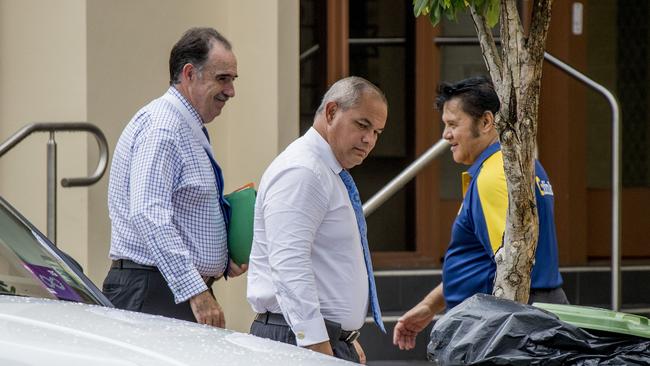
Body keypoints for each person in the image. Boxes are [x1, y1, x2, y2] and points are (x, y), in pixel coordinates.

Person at [393, 76, 567, 351]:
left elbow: (512, 269)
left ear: (486, 122)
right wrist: (431, 306)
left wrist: (502, 345)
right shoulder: (518, 164)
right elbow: (487, 261)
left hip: (514, 325)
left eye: (452, 124)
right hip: (526, 315)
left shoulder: (495, 175)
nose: (445, 135)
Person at [103, 27, 247, 328]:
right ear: (189, 74)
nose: (231, 91)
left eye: (232, 80)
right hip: (155, 290)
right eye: (222, 78)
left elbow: (180, 210)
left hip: (166, 288)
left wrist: (219, 258)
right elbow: (148, 213)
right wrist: (195, 289)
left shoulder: (180, 125)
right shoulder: (164, 128)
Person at [246, 76, 388, 363]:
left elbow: (327, 263)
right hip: (299, 341)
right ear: (332, 112)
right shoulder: (304, 170)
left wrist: (346, 336)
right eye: (362, 125)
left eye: (377, 132)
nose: (369, 140)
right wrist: (317, 345)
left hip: (320, 339)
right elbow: (289, 263)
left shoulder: (324, 170)